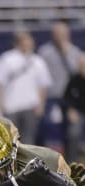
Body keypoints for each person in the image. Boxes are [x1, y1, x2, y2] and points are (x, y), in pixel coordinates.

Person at [0, 30, 51, 145]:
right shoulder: (8, 58)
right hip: (11, 107)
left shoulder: (37, 61)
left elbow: (43, 85)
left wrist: (41, 104)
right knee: (11, 140)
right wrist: (1, 104)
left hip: (30, 106)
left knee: (29, 141)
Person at [37, 21, 81, 150]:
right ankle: (41, 156)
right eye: (57, 33)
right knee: (43, 125)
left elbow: (76, 73)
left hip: (68, 96)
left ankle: (70, 159)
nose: (60, 36)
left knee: (72, 128)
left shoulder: (74, 51)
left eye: (63, 33)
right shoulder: (45, 51)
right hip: (50, 95)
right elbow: (40, 74)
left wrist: (66, 54)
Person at [63, 52, 85, 163]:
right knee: (73, 132)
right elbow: (66, 98)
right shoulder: (74, 80)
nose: (83, 68)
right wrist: (71, 110)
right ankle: (72, 162)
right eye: (81, 65)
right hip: (78, 112)